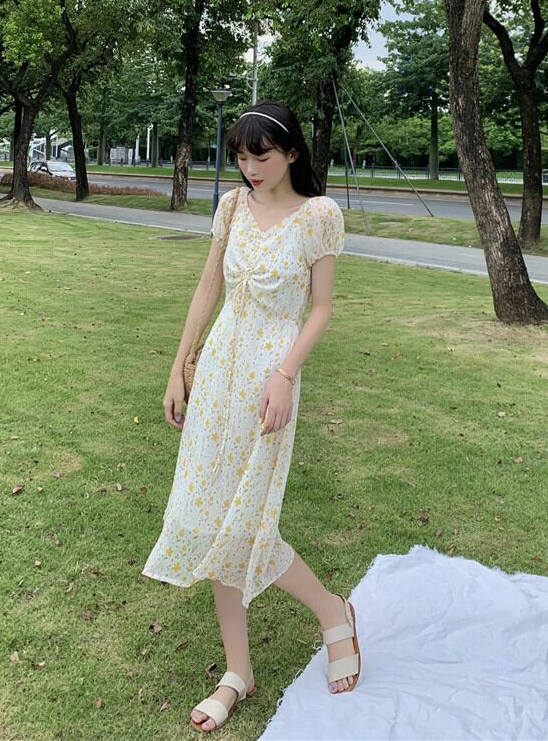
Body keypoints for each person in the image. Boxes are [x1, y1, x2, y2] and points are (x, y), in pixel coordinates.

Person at [141, 100, 361, 733]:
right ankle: (238, 671)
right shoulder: (232, 207)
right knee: (210, 516)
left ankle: (333, 613)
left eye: (260, 155)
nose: (249, 167)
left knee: (245, 522)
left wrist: (284, 375)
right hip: (219, 370)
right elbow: (208, 287)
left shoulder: (319, 216)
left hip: (270, 377)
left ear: (291, 153)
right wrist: (178, 367)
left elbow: (321, 309)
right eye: (240, 156)